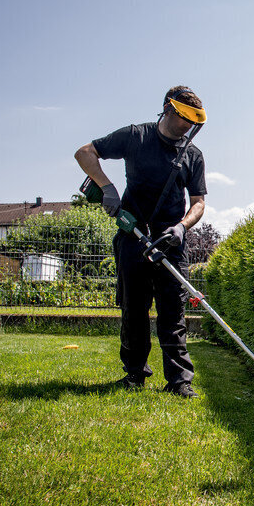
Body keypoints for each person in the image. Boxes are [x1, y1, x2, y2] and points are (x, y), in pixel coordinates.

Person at [74, 86, 208, 398]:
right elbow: (84, 152)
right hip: (133, 235)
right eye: (183, 119)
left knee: (172, 314)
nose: (186, 127)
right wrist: (106, 187)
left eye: (193, 122)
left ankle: (179, 382)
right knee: (133, 311)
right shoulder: (135, 136)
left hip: (170, 243)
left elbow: (199, 202)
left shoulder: (192, 155)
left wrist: (181, 227)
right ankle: (134, 375)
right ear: (167, 109)